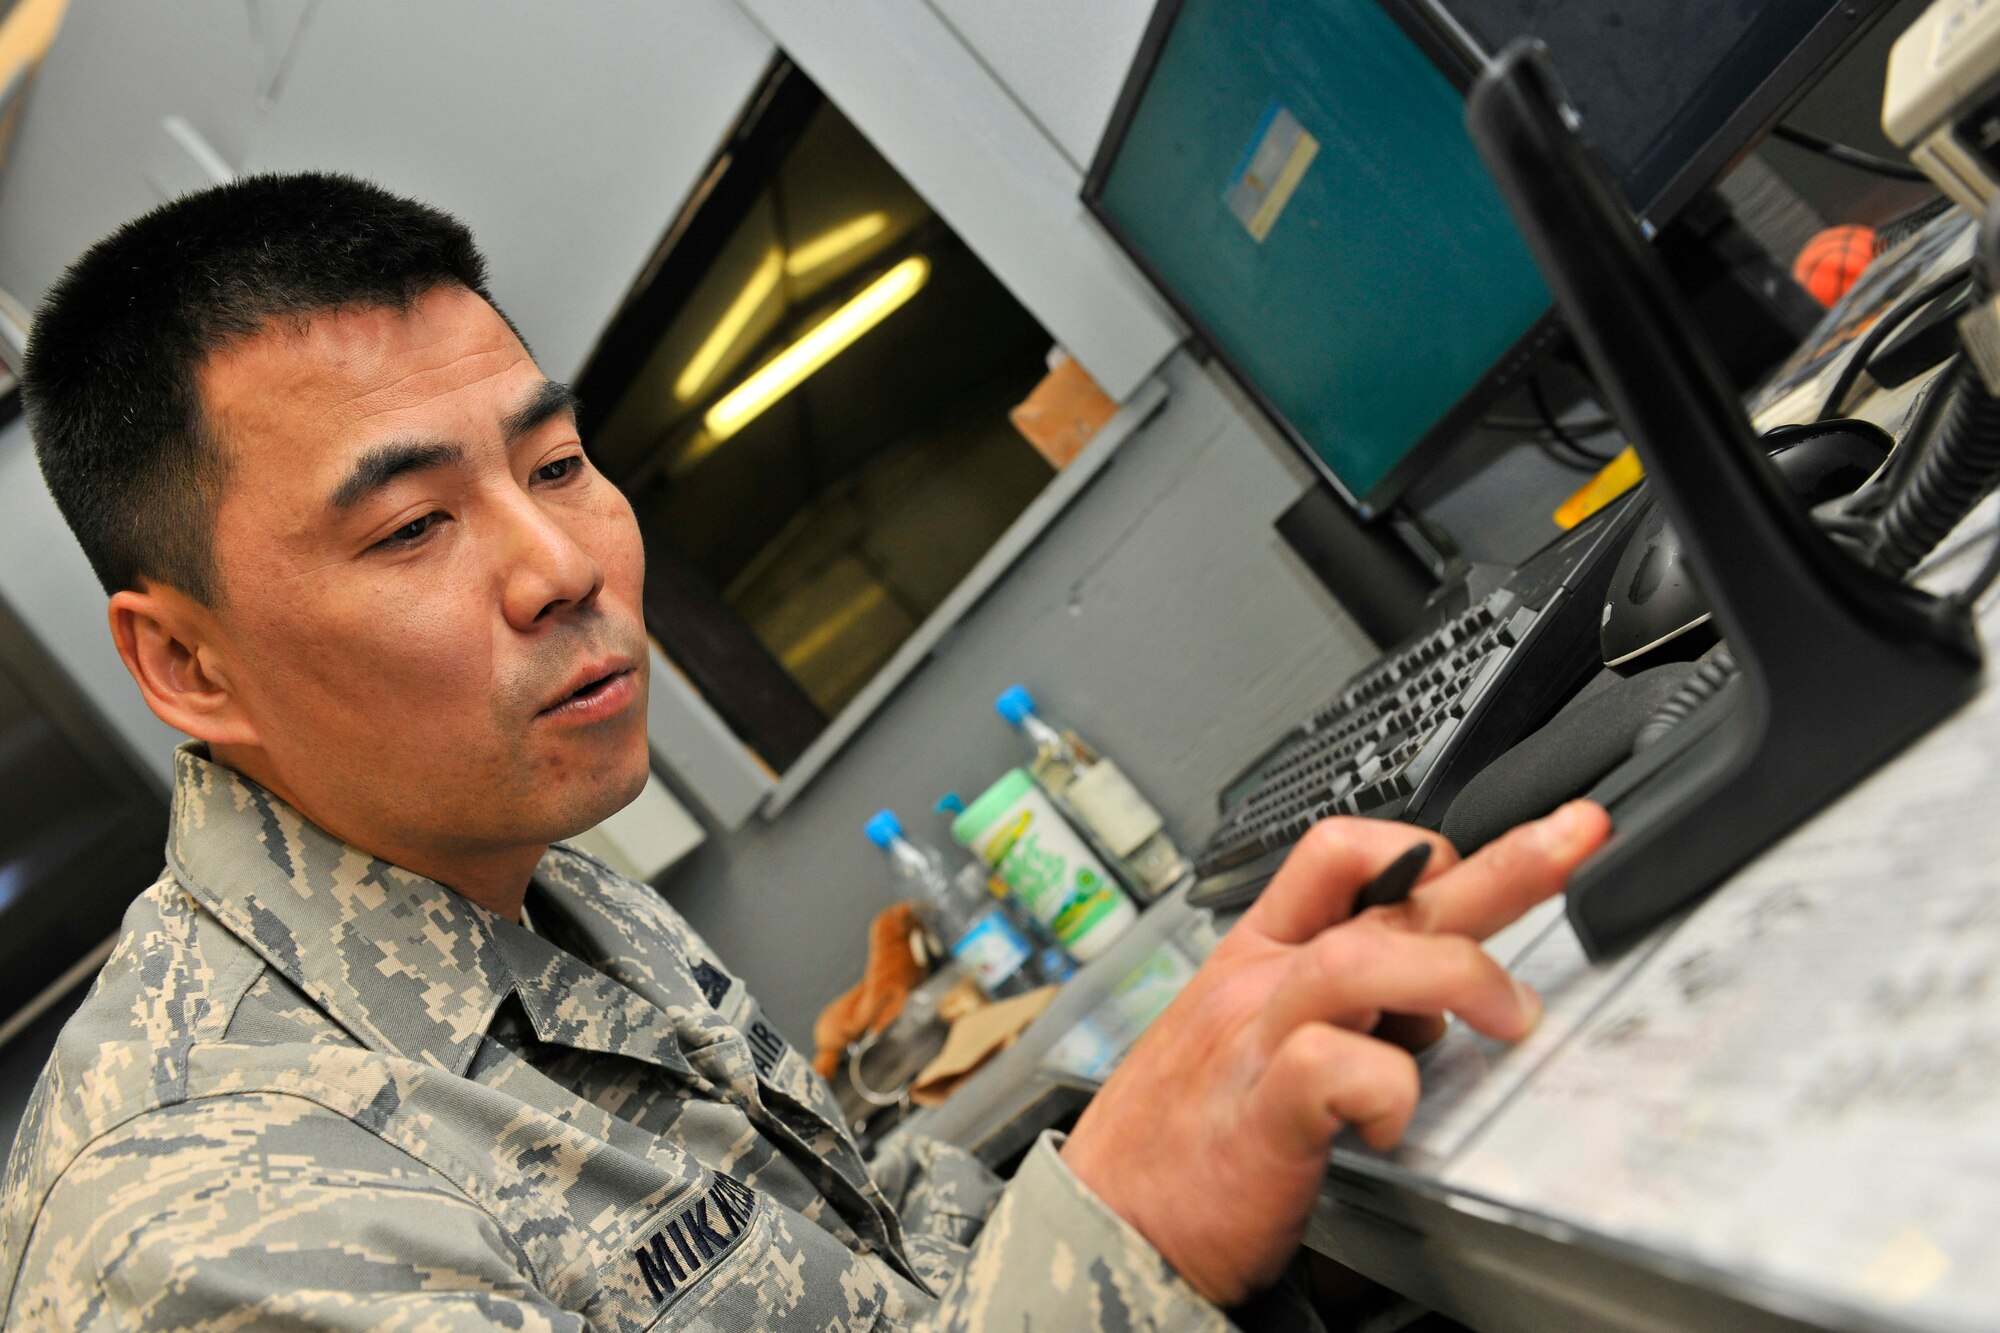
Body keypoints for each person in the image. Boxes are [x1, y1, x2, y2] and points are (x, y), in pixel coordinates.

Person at [0, 173, 1609, 1330]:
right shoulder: (195, 1226)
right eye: (413, 525)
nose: (561, 564)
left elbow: (870, 1270)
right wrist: (1124, 1236)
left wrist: (1205, 1111)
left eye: (556, 463)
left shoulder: (524, 875)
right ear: (185, 660)